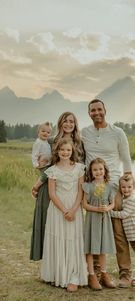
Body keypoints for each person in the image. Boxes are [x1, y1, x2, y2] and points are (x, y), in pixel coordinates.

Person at [81, 99, 133, 288]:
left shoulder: (118, 133)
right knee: (94, 231)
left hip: (113, 187)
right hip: (93, 189)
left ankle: (125, 273)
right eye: (92, 110)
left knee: (118, 232)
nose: (96, 113)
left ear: (105, 110)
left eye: (99, 109)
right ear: (89, 113)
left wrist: (127, 188)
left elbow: (127, 161)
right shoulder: (85, 133)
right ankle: (95, 273)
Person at [30, 111, 84, 261]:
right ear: (60, 123)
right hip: (50, 186)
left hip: (72, 190)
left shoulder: (80, 142)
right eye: (65, 121)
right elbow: (48, 164)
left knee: (68, 227)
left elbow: (83, 167)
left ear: (75, 124)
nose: (68, 124)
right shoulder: (51, 140)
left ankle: (68, 263)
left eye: (71, 121)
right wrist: (39, 180)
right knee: (48, 223)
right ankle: (51, 262)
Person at [40, 138, 87, 291]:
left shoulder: (79, 168)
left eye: (68, 150)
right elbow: (52, 194)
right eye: (62, 150)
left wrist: (73, 210)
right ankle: (58, 274)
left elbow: (81, 191)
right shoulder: (52, 170)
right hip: (57, 210)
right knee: (58, 238)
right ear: (57, 152)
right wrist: (64, 210)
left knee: (73, 240)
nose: (65, 152)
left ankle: (73, 276)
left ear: (72, 151)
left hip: (74, 208)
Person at [110, 174, 135, 287]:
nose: (126, 189)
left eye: (129, 187)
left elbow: (124, 214)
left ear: (134, 187)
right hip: (131, 234)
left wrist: (110, 212)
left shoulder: (131, 200)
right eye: (123, 187)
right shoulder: (125, 199)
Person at [82, 158, 116, 290]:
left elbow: (112, 203)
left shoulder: (109, 186)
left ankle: (104, 274)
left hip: (104, 220)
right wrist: (96, 209)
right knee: (90, 248)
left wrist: (107, 208)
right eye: (95, 170)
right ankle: (91, 275)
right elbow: (84, 204)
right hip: (92, 219)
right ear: (91, 171)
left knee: (103, 248)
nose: (98, 172)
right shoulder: (88, 186)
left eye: (100, 169)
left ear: (105, 170)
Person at [31, 122, 52, 199]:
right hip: (42, 164)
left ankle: (39, 190)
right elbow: (34, 154)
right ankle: (35, 188)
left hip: (48, 163)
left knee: (47, 177)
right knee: (45, 175)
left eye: (48, 132)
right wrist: (36, 164)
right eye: (43, 131)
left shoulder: (46, 142)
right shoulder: (38, 142)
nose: (45, 133)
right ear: (38, 132)